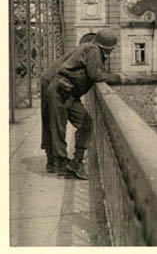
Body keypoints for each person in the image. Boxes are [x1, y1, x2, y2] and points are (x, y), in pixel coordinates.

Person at [40, 28, 117, 180]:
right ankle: (62, 165)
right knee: (59, 127)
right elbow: (95, 74)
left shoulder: (87, 47)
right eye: (111, 50)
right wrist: (118, 78)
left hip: (66, 91)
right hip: (60, 90)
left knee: (83, 123)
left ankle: (74, 162)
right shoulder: (94, 50)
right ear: (107, 47)